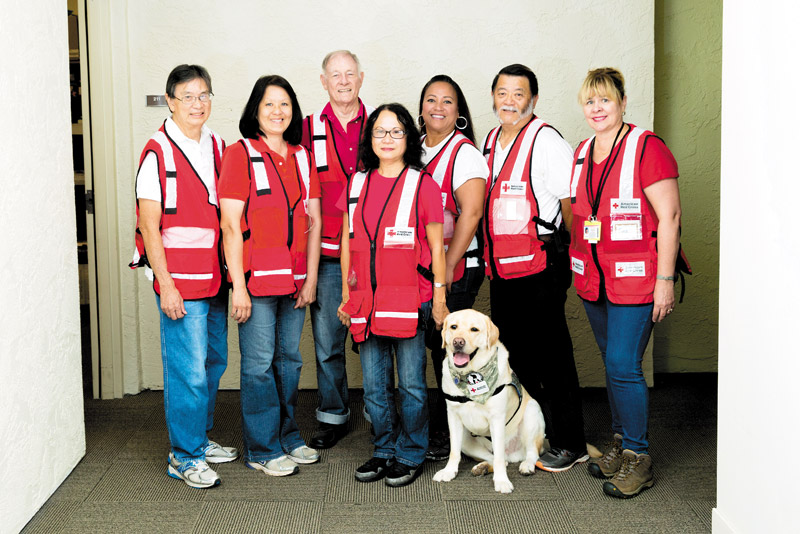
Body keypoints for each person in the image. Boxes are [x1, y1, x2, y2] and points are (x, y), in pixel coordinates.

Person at [569, 67, 682, 498]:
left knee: (622, 364)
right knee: (612, 362)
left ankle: (639, 456)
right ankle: (618, 443)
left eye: (605, 100)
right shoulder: (583, 150)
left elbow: (669, 216)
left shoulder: (645, 147)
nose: (597, 108)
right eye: (590, 101)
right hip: (596, 278)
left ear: (622, 102)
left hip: (639, 278)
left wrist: (665, 280)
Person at [130, 64, 238, 489]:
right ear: (170, 101)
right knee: (187, 370)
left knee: (213, 363)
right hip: (180, 283)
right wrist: (167, 285)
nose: (198, 103)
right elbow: (149, 225)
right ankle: (184, 454)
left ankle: (199, 437)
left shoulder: (217, 145)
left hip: (214, 278)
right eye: (188, 96)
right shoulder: (157, 151)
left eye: (204, 95)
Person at [480, 64, 588, 473]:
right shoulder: (491, 140)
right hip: (504, 271)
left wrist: (563, 256)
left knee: (553, 357)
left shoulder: (545, 141)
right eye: (502, 93)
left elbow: (572, 202)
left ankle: (570, 441)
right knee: (517, 358)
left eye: (518, 94)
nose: (509, 101)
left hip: (540, 268)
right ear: (494, 97)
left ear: (533, 99)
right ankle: (532, 436)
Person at [337, 103, 448, 487]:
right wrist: (345, 295)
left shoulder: (423, 184)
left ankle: (411, 452)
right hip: (366, 302)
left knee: (412, 385)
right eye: (380, 131)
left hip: (409, 301)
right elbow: (348, 243)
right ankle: (384, 449)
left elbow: (437, 249)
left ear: (408, 138)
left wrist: (439, 299)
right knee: (374, 385)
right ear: (369, 138)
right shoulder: (356, 183)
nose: (387, 139)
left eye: (396, 131)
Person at [219, 75, 322, 477]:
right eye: (269, 105)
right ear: (255, 111)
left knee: (290, 361)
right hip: (255, 283)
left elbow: (313, 220)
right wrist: (237, 287)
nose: (278, 112)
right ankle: (262, 449)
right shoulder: (239, 154)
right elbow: (230, 226)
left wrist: (311, 278)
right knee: (259, 364)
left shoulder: (302, 156)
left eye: (284, 104)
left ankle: (287, 434)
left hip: (294, 281)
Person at [300, 50, 373, 450]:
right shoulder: (306, 127)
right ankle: (333, 415)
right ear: (323, 81)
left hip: (374, 253)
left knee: (377, 337)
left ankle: (379, 411)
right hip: (326, 254)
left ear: (361, 78)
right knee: (328, 342)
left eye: (350, 74)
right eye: (335, 75)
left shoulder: (382, 124)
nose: (343, 81)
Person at [417, 75, 488, 461]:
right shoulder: (417, 149)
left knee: (452, 351)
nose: (438, 107)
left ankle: (455, 434)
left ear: (459, 112)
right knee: (435, 349)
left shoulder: (465, 154)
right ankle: (443, 428)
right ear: (421, 107)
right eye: (431, 100)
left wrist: (446, 269)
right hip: (428, 270)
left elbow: (471, 214)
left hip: (457, 267)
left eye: (448, 101)